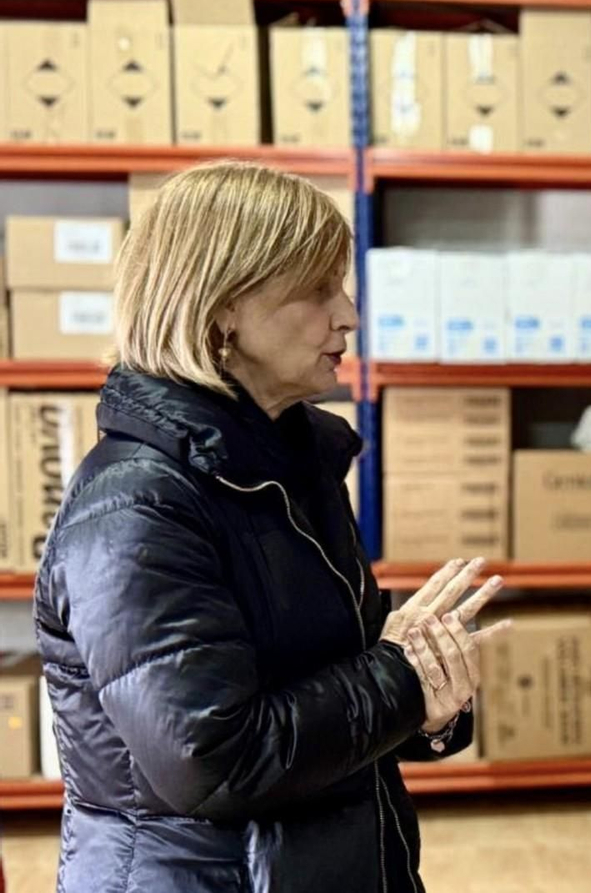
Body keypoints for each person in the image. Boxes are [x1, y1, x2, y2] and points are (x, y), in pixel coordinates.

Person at [35, 161, 509, 892]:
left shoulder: (293, 463)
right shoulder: (134, 510)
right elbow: (214, 759)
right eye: (319, 290)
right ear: (222, 309)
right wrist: (400, 679)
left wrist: (429, 698)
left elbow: (338, 686)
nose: (348, 315)